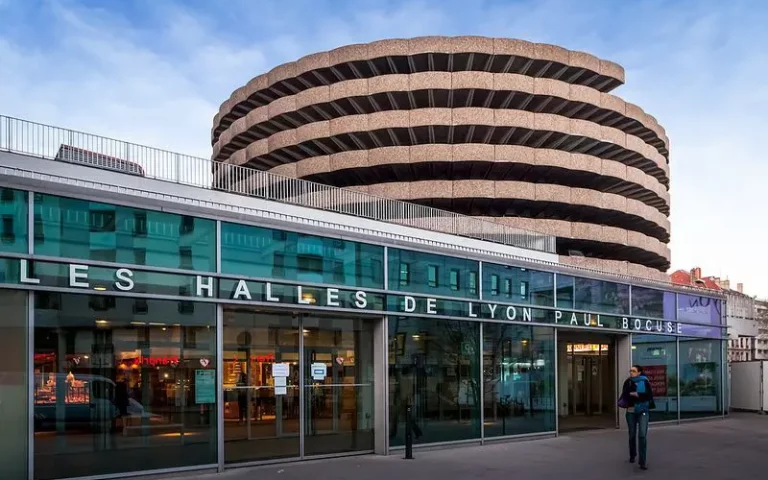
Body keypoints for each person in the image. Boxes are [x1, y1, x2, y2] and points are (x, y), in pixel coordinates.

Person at [620, 365, 654, 470]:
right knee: (632, 434)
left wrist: (638, 395)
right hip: (631, 411)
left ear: (639, 372)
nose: (631, 372)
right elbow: (625, 395)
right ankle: (632, 454)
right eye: (630, 371)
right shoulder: (628, 382)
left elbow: (649, 396)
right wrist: (632, 394)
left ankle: (642, 461)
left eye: (634, 371)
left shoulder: (644, 381)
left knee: (642, 435)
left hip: (643, 411)